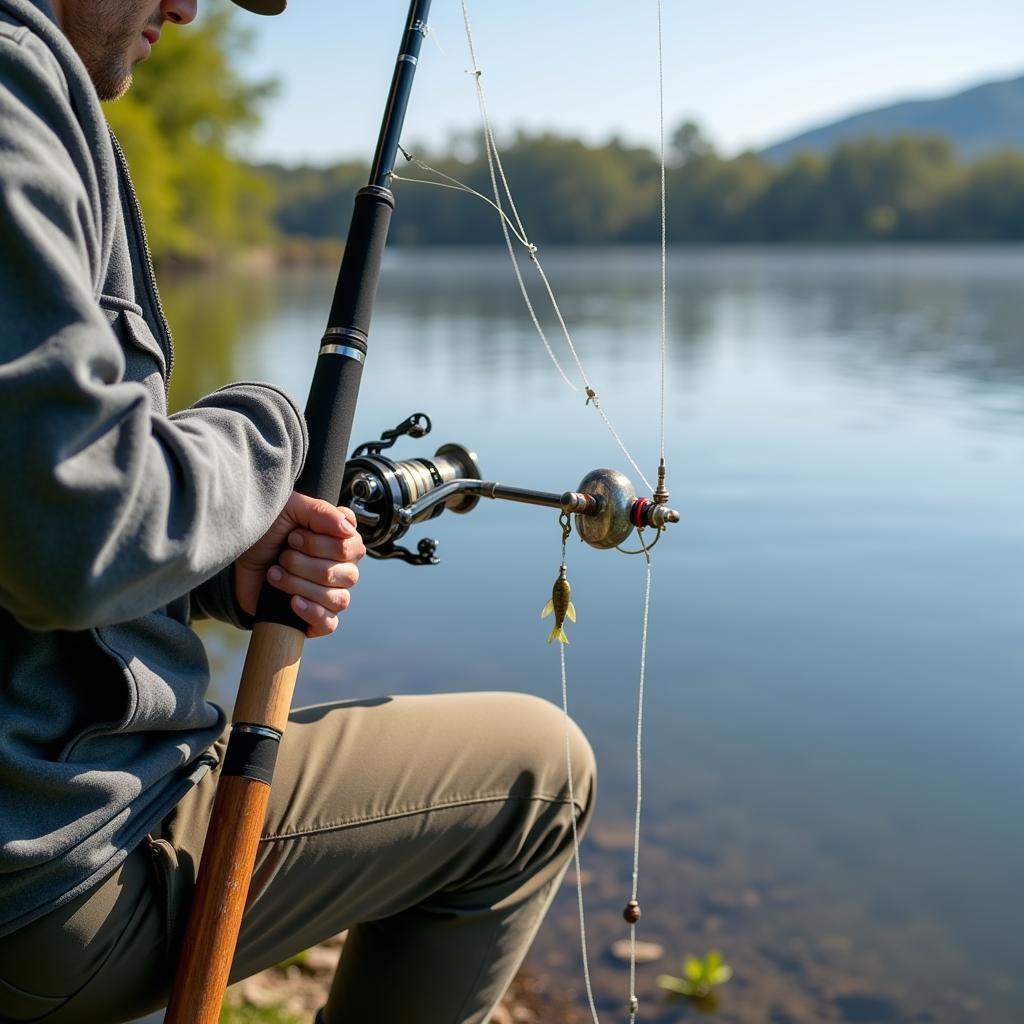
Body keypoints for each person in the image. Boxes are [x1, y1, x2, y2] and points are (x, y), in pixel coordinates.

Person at [0, 1, 597, 1022]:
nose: (186, 8)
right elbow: (72, 529)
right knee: (538, 778)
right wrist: (269, 431)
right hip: (44, 893)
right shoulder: (13, 80)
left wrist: (211, 569)